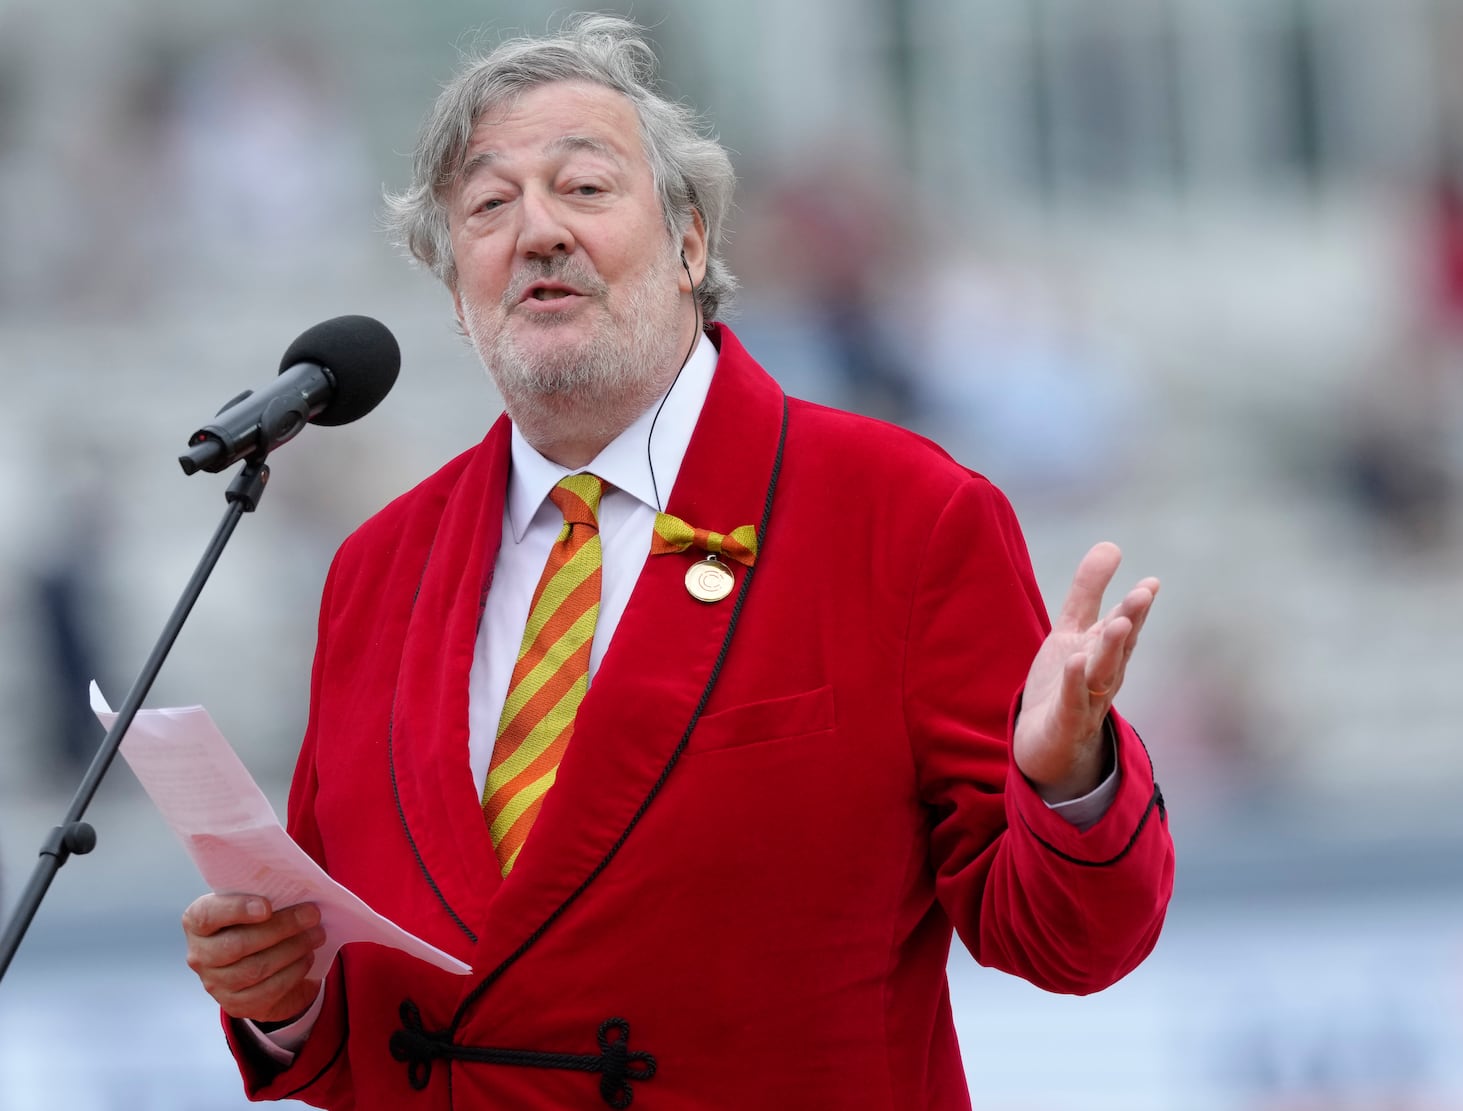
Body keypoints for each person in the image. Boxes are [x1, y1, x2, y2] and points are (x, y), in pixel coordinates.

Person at [179, 15, 1173, 1109]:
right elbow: (377, 998)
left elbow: (1071, 945)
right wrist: (285, 1004)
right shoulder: (377, 569)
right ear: (453, 289)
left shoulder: (902, 515)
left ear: (691, 242)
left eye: (586, 189)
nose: (538, 232)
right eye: (488, 207)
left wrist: (1069, 786)